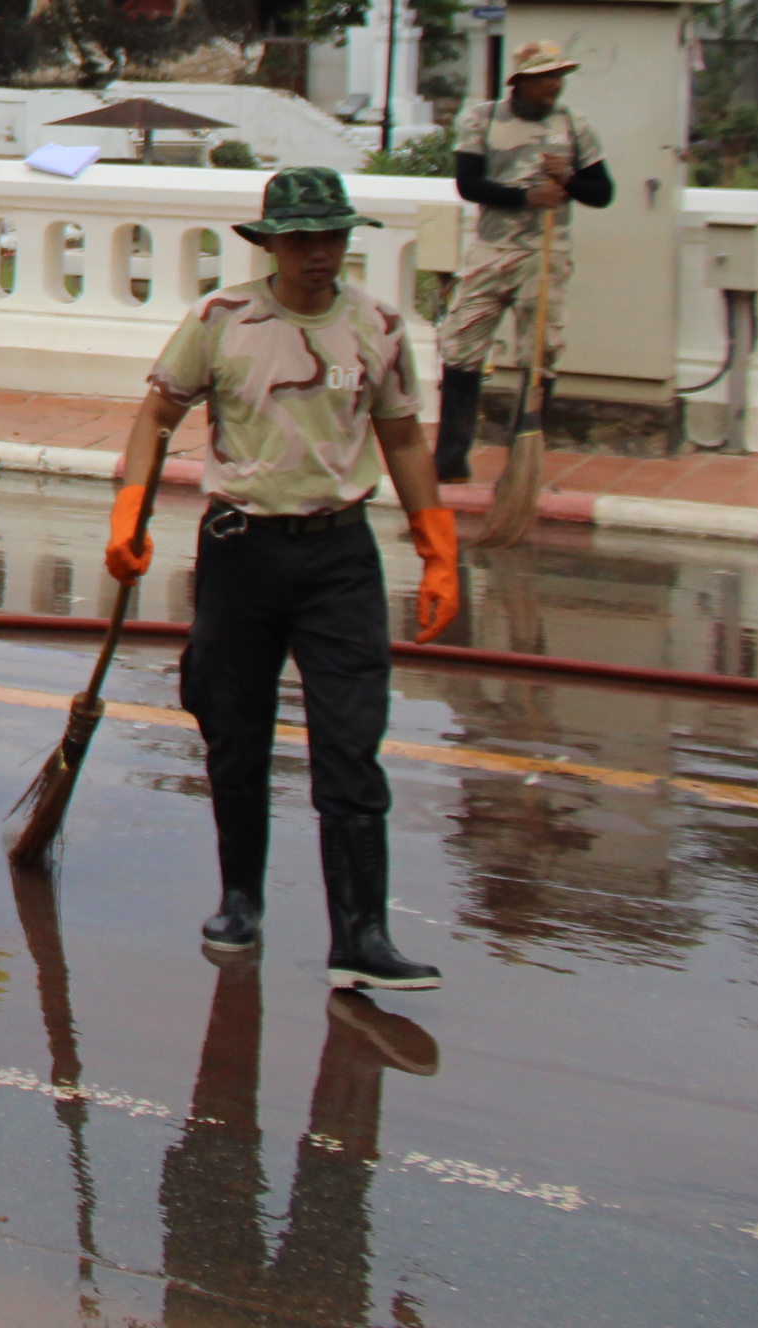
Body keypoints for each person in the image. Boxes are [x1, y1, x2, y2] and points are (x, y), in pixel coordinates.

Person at [105, 167, 453, 990]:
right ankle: (240, 900)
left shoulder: (377, 325)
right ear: (272, 244)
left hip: (339, 556)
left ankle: (361, 934)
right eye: (302, 239)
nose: (319, 254)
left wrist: (439, 547)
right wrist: (131, 513)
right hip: (241, 550)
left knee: (349, 743)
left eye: (332, 237)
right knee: (234, 728)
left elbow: (401, 438)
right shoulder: (223, 321)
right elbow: (157, 415)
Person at [434, 38, 610, 482]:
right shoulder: (483, 118)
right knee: (462, 348)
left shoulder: (574, 125)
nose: (555, 85)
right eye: (546, 77)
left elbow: (603, 193)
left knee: (541, 352)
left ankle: (522, 456)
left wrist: (567, 179)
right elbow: (468, 185)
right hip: (492, 250)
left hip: (545, 255)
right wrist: (525, 196)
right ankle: (450, 457)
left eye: (559, 76)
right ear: (522, 81)